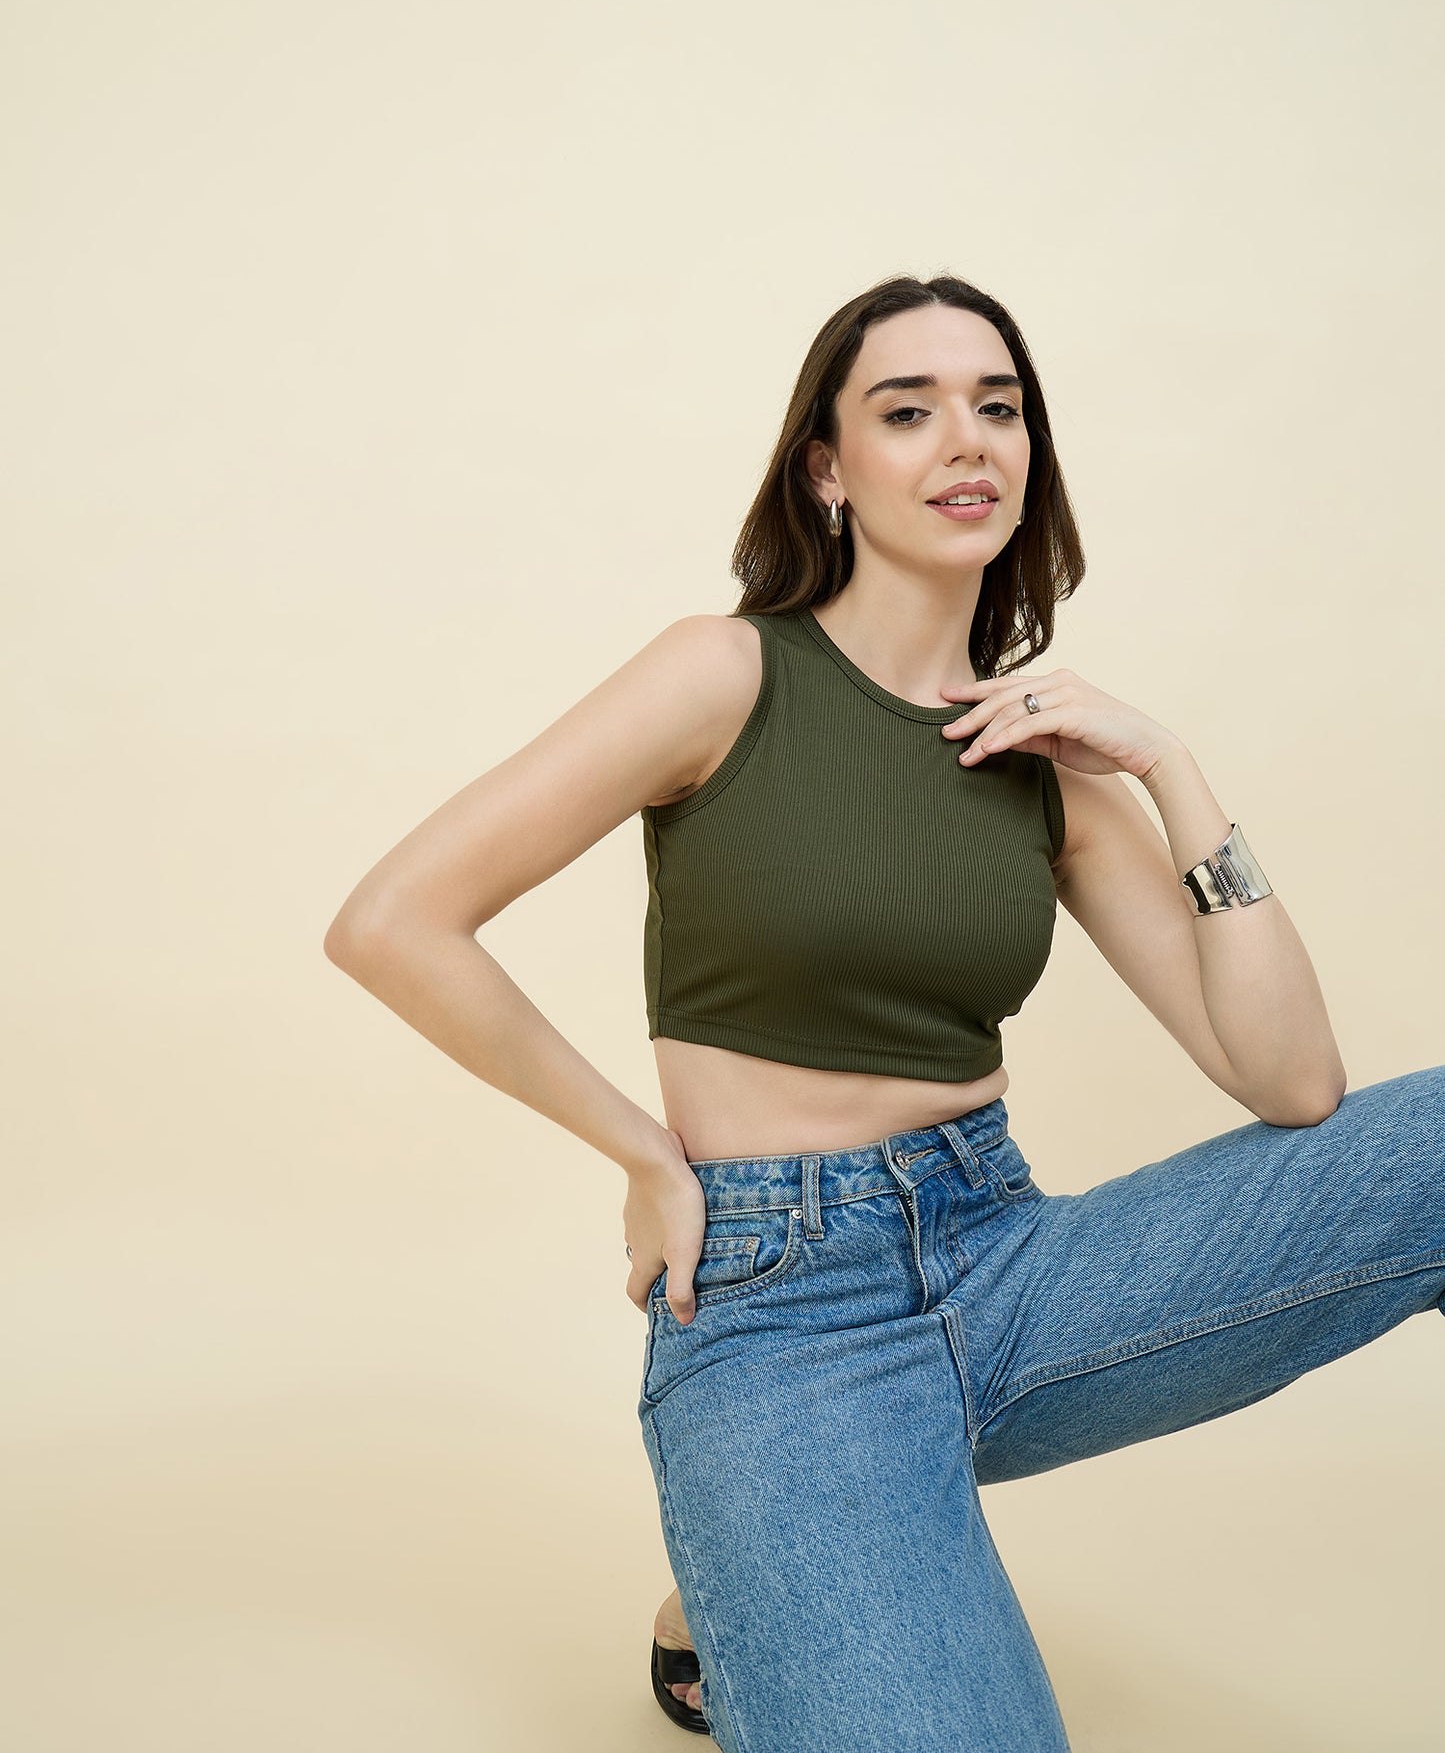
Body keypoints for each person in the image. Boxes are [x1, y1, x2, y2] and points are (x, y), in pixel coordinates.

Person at [323, 273, 1445, 1752]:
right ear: (827, 471)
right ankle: (752, 1560)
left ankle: (772, 1553)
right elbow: (393, 923)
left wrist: (1169, 767)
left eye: (997, 407)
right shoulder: (725, 673)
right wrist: (645, 1156)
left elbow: (1294, 1087)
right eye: (904, 412)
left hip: (1013, 1263)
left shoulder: (1046, 763)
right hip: (785, 1308)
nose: (963, 441)